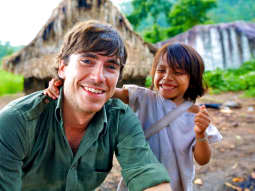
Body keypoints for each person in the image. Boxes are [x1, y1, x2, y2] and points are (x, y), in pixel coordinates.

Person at [0, 20, 172, 191]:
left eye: (111, 66)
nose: (98, 77)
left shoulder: (120, 118)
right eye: (87, 61)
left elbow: (145, 172)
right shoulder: (17, 121)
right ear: (63, 68)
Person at [45, 42, 222, 191]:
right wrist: (67, 84)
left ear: (193, 78)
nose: (167, 77)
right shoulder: (143, 98)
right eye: (161, 70)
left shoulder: (197, 115)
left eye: (177, 72)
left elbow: (202, 160)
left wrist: (200, 135)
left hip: (176, 185)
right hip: (139, 182)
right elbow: (109, 91)